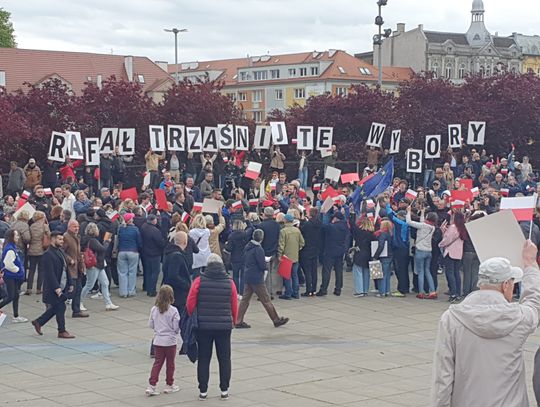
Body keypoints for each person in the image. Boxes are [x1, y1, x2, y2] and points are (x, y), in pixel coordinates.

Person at [432, 241, 539, 407]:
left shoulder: (452, 319)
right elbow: (534, 302)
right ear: (505, 285)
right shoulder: (519, 317)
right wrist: (530, 264)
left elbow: (442, 376)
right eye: (513, 283)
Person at [186, 254, 238, 400]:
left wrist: (193, 315)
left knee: (204, 358)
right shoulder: (230, 282)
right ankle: (224, 390)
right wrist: (233, 320)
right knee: (224, 358)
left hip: (204, 326)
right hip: (224, 327)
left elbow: (190, 303)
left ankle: (203, 390)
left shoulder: (199, 281)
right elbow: (234, 304)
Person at [31, 231, 75, 338]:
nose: (62, 241)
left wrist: (70, 282)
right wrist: (57, 288)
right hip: (53, 288)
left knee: (58, 307)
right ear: (53, 239)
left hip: (62, 285)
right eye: (59, 239)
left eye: (62, 239)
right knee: (60, 307)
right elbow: (49, 274)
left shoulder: (60, 251)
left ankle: (39, 322)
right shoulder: (47, 254)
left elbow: (66, 268)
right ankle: (61, 331)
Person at [145, 284, 181, 396]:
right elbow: (176, 328)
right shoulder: (173, 311)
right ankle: (169, 384)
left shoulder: (154, 309)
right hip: (170, 341)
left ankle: (152, 385)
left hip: (158, 340)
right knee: (170, 364)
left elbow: (151, 325)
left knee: (157, 363)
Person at [80, 223, 119, 311]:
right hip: (95, 265)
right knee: (89, 284)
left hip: (97, 264)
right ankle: (79, 302)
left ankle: (108, 303)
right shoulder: (93, 240)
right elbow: (102, 249)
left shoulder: (87, 239)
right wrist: (107, 242)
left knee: (105, 283)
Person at [406, 207, 438, 299]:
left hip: (420, 250)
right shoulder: (432, 227)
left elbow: (409, 222)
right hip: (428, 251)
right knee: (427, 271)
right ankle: (432, 291)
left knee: (420, 272)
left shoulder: (423, 226)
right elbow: (422, 222)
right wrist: (423, 213)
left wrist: (408, 212)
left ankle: (421, 292)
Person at [317, 210, 348, 297]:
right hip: (340, 251)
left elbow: (322, 225)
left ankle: (323, 289)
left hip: (330, 251)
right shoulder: (344, 226)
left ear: (336, 218)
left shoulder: (331, 227)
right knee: (339, 271)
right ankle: (338, 289)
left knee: (326, 271)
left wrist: (322, 214)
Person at [0, 230, 28, 323]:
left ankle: (16, 316)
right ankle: (16, 316)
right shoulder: (10, 249)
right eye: (16, 235)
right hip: (11, 276)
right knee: (11, 296)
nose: (18, 237)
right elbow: (8, 264)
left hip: (12, 276)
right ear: (12, 237)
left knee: (15, 295)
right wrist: (18, 270)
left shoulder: (11, 247)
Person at [439, 212, 467, 302]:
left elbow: (447, 239)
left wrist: (441, 244)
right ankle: (458, 293)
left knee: (450, 273)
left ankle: (453, 293)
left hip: (450, 252)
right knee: (456, 273)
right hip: (458, 253)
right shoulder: (463, 228)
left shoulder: (453, 227)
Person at [63, 220, 88, 318]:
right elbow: (61, 251)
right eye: (74, 226)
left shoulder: (77, 237)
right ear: (69, 227)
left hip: (77, 268)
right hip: (70, 268)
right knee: (71, 290)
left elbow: (77, 253)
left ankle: (76, 310)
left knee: (79, 289)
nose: (77, 228)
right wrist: (69, 260)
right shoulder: (66, 237)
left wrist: (82, 264)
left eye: (77, 226)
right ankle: (55, 306)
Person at [278, 214, 305, 300]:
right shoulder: (297, 230)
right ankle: (296, 293)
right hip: (295, 256)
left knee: (287, 276)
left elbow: (281, 245)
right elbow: (302, 243)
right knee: (295, 275)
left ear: (285, 220)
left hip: (286, 256)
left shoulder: (283, 231)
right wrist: (297, 249)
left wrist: (279, 255)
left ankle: (288, 293)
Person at [162, 231, 191, 311]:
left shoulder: (169, 253)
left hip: (171, 291)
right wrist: (186, 284)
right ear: (185, 242)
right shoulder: (177, 256)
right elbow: (173, 275)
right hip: (178, 294)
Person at [117, 213, 142, 298]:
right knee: (132, 272)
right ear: (131, 220)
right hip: (133, 251)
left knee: (122, 273)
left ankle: (123, 292)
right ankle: (131, 291)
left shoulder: (121, 229)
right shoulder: (135, 229)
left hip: (122, 251)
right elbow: (139, 241)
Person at [141, 214, 166, 297]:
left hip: (146, 252)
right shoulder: (155, 231)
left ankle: (148, 288)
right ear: (153, 220)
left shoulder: (143, 227)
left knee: (148, 271)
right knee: (155, 272)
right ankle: (152, 290)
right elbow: (160, 242)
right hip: (155, 253)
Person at [26, 211, 50, 295]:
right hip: (41, 250)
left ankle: (29, 288)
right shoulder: (45, 226)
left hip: (32, 250)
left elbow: (29, 238)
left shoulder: (31, 226)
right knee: (41, 270)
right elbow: (49, 236)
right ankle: (39, 289)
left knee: (31, 270)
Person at [259, 207, 281, 297]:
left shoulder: (261, 225)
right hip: (274, 251)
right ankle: (276, 289)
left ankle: (267, 293)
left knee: (266, 273)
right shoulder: (277, 225)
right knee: (273, 272)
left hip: (265, 252)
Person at [299, 207, 322, 297]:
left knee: (307, 271)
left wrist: (302, 221)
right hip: (316, 249)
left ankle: (308, 290)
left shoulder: (307, 224)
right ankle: (314, 290)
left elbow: (302, 231)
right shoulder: (319, 223)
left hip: (307, 249)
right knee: (314, 271)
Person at [352, 217, 374, 297]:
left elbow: (353, 228)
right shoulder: (372, 233)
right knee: (366, 273)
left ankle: (359, 290)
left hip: (359, 253)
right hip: (368, 254)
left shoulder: (359, 231)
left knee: (358, 272)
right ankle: (365, 290)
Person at [373, 219, 394, 297]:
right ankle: (387, 290)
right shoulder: (391, 234)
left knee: (381, 275)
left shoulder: (382, 234)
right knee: (387, 274)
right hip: (390, 255)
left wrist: (375, 256)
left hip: (383, 256)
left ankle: (382, 292)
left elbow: (381, 246)